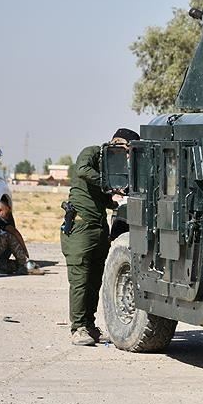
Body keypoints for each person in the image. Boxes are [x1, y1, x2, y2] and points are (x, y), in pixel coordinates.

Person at [61, 128, 139, 346]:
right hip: (81, 228)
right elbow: (82, 170)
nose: (127, 157)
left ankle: (90, 325)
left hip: (98, 227)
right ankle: (78, 328)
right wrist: (109, 182)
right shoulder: (94, 152)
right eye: (127, 150)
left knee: (95, 281)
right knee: (80, 281)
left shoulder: (114, 168)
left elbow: (103, 197)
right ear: (117, 142)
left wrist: (116, 200)